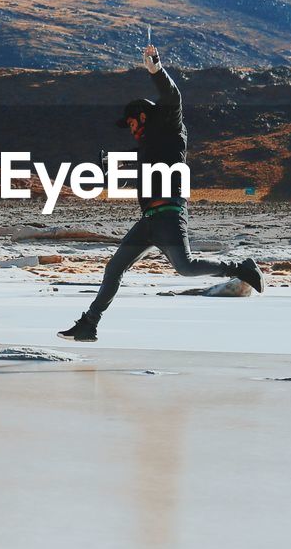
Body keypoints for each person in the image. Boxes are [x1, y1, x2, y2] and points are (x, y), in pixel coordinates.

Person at [59, 44, 264, 342]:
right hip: (149, 220)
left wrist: (156, 70)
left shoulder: (170, 127)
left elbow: (173, 97)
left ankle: (240, 268)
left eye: (131, 123)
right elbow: (143, 178)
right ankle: (89, 324)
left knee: (186, 267)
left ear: (143, 116)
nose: (131, 130)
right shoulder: (146, 149)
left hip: (168, 212)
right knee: (114, 268)